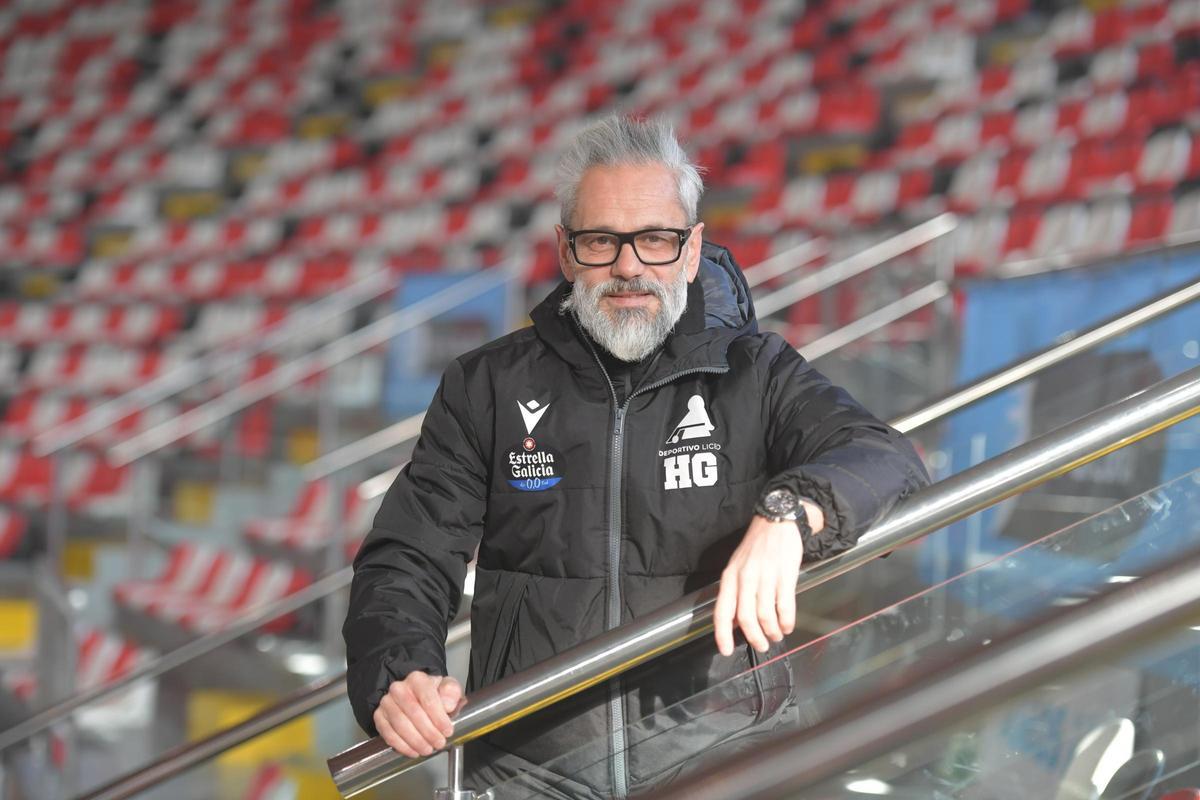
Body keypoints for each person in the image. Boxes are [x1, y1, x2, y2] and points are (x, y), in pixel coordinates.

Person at [344, 115, 930, 798]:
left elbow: (888, 458)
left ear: (691, 249)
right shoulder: (488, 387)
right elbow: (407, 557)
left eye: (655, 240)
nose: (628, 266)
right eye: (601, 241)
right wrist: (398, 671)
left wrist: (790, 515)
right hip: (526, 772)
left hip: (729, 757)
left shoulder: (757, 373)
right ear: (567, 252)